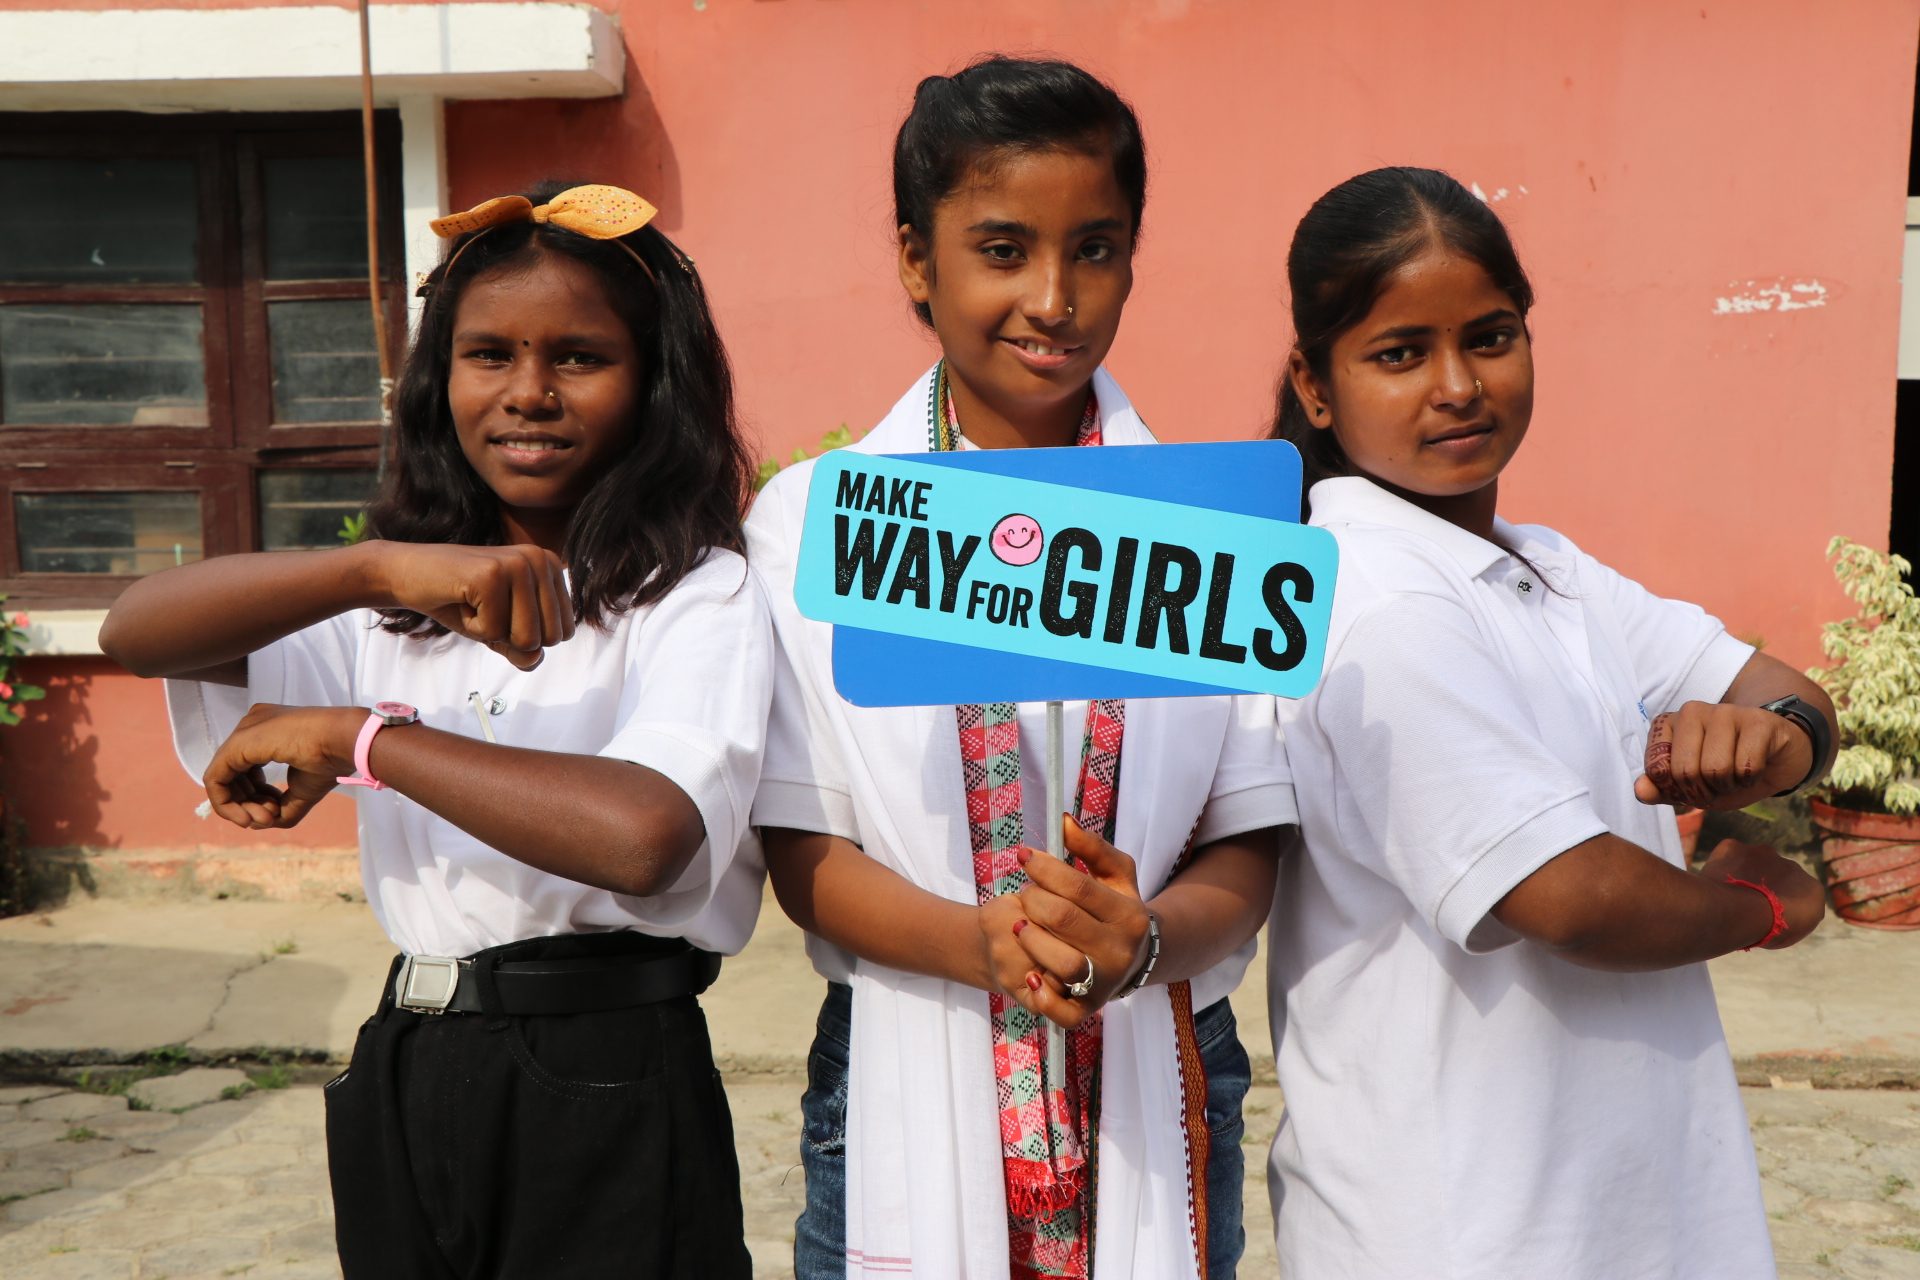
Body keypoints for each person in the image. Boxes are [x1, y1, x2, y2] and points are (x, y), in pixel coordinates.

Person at [99, 182, 768, 1279]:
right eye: (489, 354)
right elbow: (138, 631)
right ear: (435, 378)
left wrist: (363, 740)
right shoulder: (391, 604)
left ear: (654, 382)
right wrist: (373, 562)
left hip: (605, 1067)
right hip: (411, 1057)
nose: (530, 393)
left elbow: (644, 834)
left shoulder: (692, 594)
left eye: (580, 357)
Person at [747, 57, 1295, 1280]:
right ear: (913, 259)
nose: (1054, 298)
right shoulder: (818, 528)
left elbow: (1250, 839)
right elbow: (802, 844)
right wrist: (977, 943)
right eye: (1002, 249)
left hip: (1159, 1057)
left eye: (1095, 249)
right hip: (903, 1052)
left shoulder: (1204, 531)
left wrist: (1143, 941)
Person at [1264, 165, 1835, 1279]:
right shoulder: (1364, 595)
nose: (1458, 385)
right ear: (1316, 385)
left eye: (1491, 336)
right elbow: (1566, 893)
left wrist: (1770, 738)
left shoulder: (1544, 566)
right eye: (1398, 353)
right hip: (1462, 1223)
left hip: (1625, 1203)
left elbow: (1790, 688)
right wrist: (1761, 902)